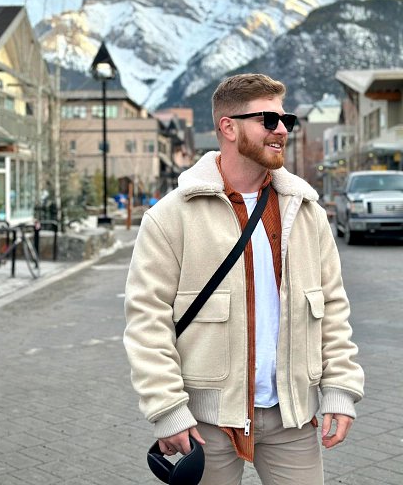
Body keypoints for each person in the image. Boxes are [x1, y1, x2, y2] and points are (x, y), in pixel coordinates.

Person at [124, 74, 364, 485]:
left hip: (292, 417)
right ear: (229, 127)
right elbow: (147, 320)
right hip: (206, 423)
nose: (282, 129)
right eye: (268, 119)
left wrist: (340, 387)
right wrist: (168, 410)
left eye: (286, 119)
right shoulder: (171, 216)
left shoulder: (305, 211)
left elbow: (332, 307)